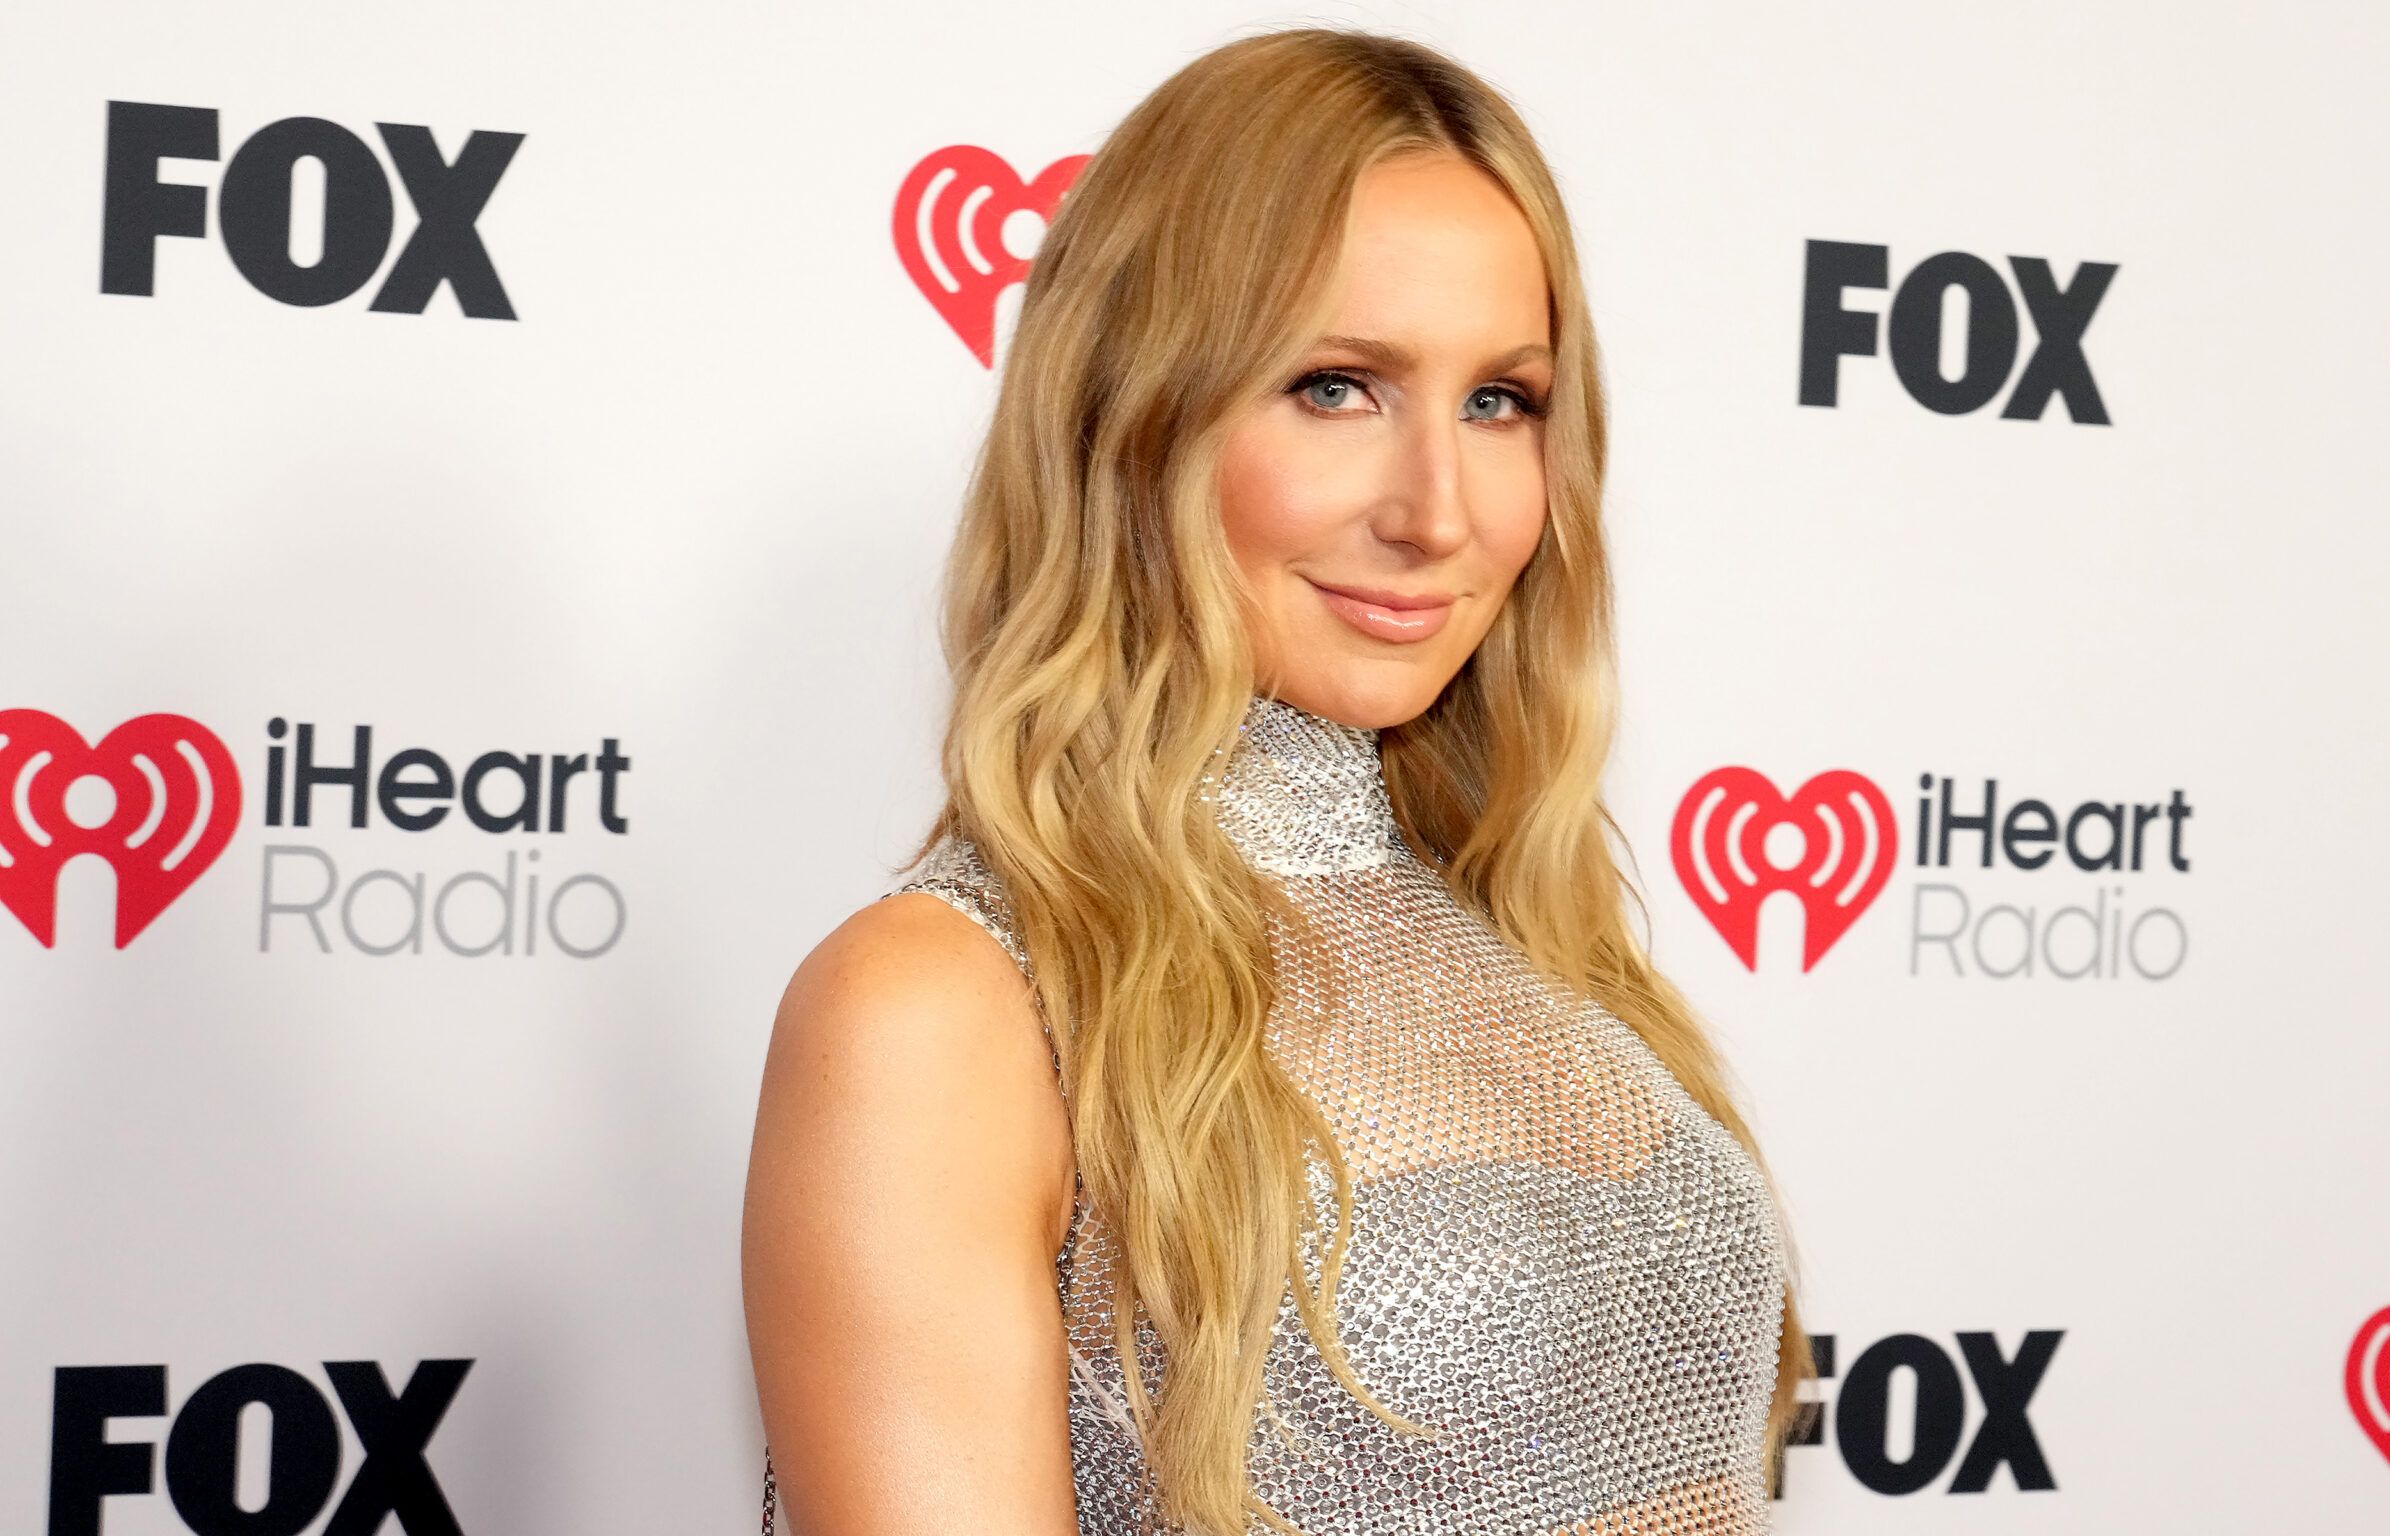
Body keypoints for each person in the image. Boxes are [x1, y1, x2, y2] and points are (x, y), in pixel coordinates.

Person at [741, 24, 1810, 1535]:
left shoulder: (1524, 931)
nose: (1438, 510)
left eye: (1501, 401)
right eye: (1336, 387)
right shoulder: (945, 1007)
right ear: (1133, 417)